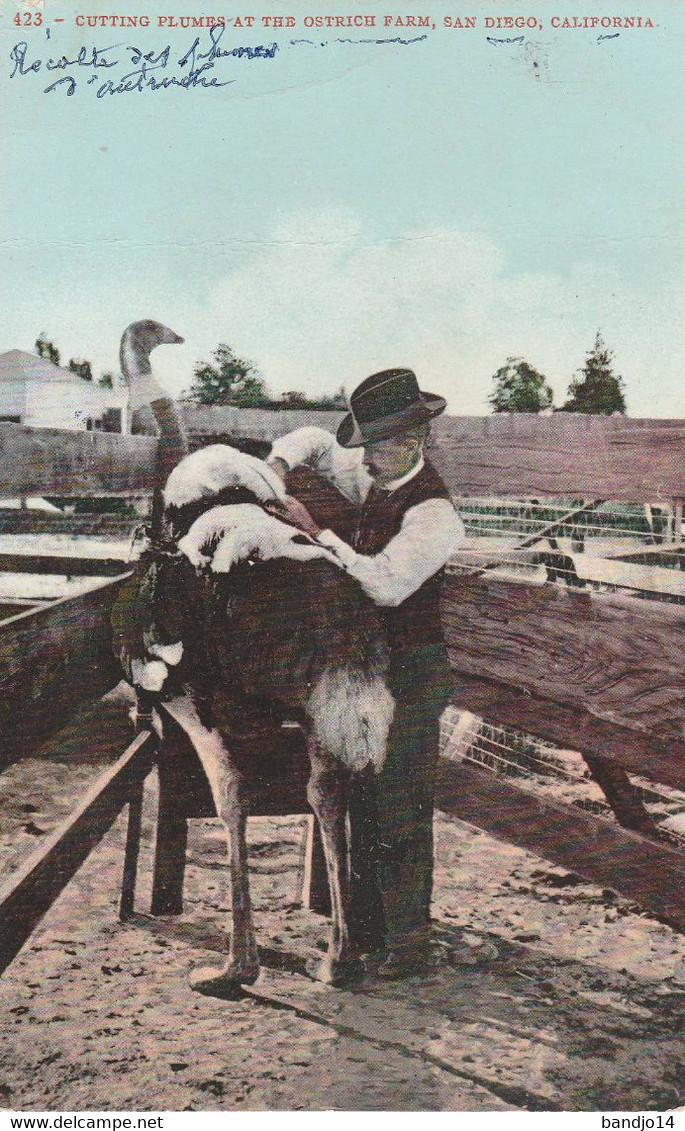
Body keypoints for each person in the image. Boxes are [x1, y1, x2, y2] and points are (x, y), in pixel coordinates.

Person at [266, 367, 464, 979]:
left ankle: (408, 941)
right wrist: (275, 465)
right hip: (372, 671)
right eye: (367, 444)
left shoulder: (435, 515)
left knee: (401, 803)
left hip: (412, 672)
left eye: (378, 445)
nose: (366, 458)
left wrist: (316, 530)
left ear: (413, 441)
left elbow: (384, 584)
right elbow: (316, 443)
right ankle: (367, 930)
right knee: (361, 796)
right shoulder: (372, 475)